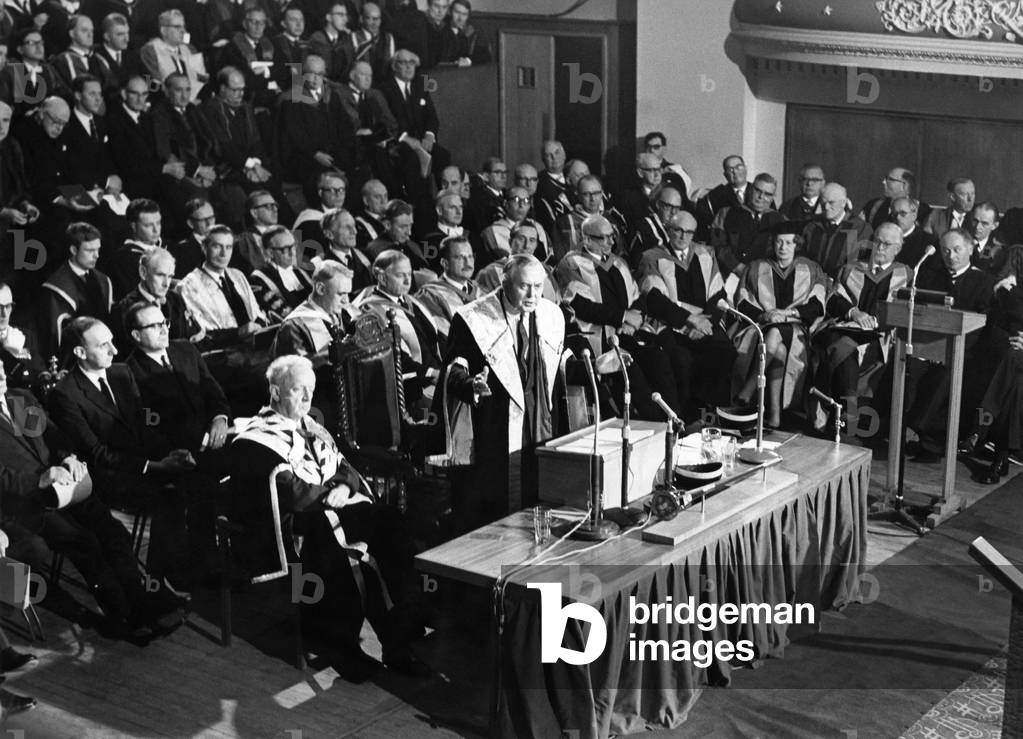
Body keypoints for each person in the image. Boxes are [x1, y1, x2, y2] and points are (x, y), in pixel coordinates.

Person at [229, 355, 427, 681]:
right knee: (343, 550)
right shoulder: (256, 438)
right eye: (298, 389)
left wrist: (345, 487)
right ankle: (343, 647)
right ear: (276, 392)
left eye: (311, 389)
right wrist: (330, 496)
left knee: (391, 524)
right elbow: (289, 491)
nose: (308, 397)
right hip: (293, 526)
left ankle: (401, 634)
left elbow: (343, 464)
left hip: (335, 508)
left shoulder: (312, 426)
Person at [0, 360, 181, 648]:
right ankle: (121, 617)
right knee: (83, 542)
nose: (0, 374)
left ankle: (140, 603)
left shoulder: (18, 398)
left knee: (111, 530)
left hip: (62, 486)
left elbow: (51, 434)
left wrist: (67, 456)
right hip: (23, 506)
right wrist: (40, 480)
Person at [47, 316, 199, 594]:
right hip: (107, 476)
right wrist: (154, 466)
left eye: (112, 342)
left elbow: (143, 426)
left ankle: (191, 565)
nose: (114, 350)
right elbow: (96, 453)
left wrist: (169, 452)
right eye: (103, 345)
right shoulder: (64, 394)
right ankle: (162, 577)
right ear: (80, 352)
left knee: (199, 478)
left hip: (139, 463)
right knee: (170, 495)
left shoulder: (121, 373)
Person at [435, 254, 564, 533]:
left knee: (537, 491)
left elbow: (556, 369)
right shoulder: (473, 319)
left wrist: (591, 368)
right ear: (504, 284)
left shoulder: (551, 315)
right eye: (524, 286)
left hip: (538, 421)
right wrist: (471, 385)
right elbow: (453, 369)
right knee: (496, 504)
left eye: (538, 287)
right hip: (494, 424)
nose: (533, 295)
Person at [557, 214, 679, 421]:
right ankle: (655, 424)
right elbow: (582, 306)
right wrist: (622, 317)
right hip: (598, 337)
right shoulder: (571, 264)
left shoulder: (618, 262)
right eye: (604, 238)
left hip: (628, 332)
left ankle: (675, 419)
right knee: (633, 372)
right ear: (587, 239)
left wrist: (634, 319)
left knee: (660, 361)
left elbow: (637, 297)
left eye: (612, 236)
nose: (611, 242)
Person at [811, 223, 912, 432]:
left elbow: (906, 311)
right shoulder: (851, 269)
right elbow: (833, 299)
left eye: (887, 244)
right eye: (877, 241)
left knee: (844, 348)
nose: (880, 247)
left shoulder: (906, 275)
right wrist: (853, 312)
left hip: (879, 335)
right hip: (844, 326)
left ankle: (836, 411)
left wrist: (878, 321)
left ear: (898, 248)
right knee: (844, 344)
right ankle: (848, 415)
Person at [636, 210, 735, 417]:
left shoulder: (706, 254)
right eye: (678, 230)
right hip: (671, 324)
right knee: (681, 360)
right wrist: (690, 320)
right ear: (668, 229)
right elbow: (655, 300)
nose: (683, 236)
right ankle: (687, 417)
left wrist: (705, 324)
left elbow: (718, 294)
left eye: (689, 232)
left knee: (725, 351)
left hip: (705, 324)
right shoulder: (651, 257)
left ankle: (711, 414)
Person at [732, 223, 826, 429]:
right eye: (779, 242)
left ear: (797, 245)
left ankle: (748, 390)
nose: (783, 247)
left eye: (789, 243)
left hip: (796, 327)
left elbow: (817, 305)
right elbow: (743, 301)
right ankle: (775, 415)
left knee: (775, 335)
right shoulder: (756, 267)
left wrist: (787, 314)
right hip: (761, 325)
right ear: (773, 243)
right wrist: (764, 315)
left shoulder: (811, 269)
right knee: (778, 348)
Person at [40, 222, 114, 362]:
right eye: (90, 250)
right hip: (75, 358)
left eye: (98, 249)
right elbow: (54, 336)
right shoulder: (57, 287)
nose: (96, 255)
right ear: (74, 250)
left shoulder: (103, 280)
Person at [110, 247, 201, 353]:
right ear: (143, 273)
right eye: (160, 275)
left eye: (170, 277)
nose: (166, 284)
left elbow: (188, 339)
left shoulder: (176, 300)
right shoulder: (125, 309)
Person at [710, 171, 783, 276]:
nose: (761, 197)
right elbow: (717, 245)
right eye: (758, 191)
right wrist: (737, 267)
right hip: (730, 274)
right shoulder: (726, 213)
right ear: (750, 190)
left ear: (772, 198)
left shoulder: (779, 220)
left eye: (767, 194)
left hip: (765, 275)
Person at [801, 182, 873, 278]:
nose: (826, 207)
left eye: (831, 202)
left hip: (843, 283)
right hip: (812, 281)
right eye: (823, 203)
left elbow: (863, 264)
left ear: (843, 202)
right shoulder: (812, 225)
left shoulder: (861, 229)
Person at [414, 235, 478, 343]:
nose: (468, 262)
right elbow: (444, 339)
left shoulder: (480, 291)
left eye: (470, 256)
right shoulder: (430, 296)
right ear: (445, 263)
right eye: (460, 257)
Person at [249, 226, 314, 322]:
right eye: (286, 249)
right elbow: (281, 314)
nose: (292, 253)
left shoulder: (303, 271)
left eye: (293, 246)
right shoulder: (258, 279)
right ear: (270, 253)